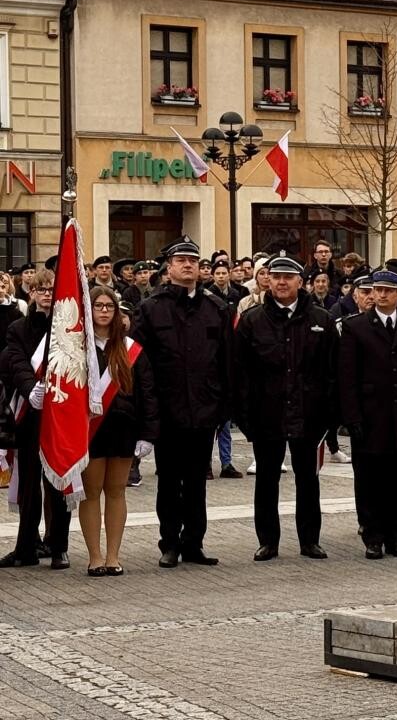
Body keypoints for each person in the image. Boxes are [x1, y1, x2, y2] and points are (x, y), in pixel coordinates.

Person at [131, 236, 232, 568]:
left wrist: (221, 404)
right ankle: (169, 543)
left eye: (193, 260)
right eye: (181, 260)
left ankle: (194, 543)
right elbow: (139, 364)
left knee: (197, 483)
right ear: (169, 267)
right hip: (168, 410)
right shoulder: (150, 308)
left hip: (203, 411)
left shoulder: (215, 308)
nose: (188, 265)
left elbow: (226, 362)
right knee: (169, 482)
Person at [235, 254, 337, 561]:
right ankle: (268, 540)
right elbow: (240, 372)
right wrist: (245, 417)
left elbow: (332, 371)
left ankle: (310, 540)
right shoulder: (253, 320)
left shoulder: (321, 319)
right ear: (267, 280)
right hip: (267, 415)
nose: (281, 282)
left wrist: (329, 415)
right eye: (275, 276)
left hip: (309, 415)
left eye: (288, 277)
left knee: (308, 479)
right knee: (267, 479)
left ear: (300, 282)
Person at [340, 269, 397, 560]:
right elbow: (348, 377)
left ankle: (395, 535)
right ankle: (372, 535)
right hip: (369, 416)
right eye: (376, 290)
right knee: (368, 480)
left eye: (388, 290)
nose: (381, 295)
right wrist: (352, 417)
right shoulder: (357, 327)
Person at [79, 286, 158, 575]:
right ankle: (94, 556)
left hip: (124, 430)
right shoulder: (79, 348)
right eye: (98, 306)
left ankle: (113, 556)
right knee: (91, 492)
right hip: (91, 431)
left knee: (116, 491)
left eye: (108, 307)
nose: (103, 311)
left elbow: (147, 392)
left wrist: (148, 434)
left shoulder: (130, 349)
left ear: (117, 312)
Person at [0, 270, 72, 569]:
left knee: (59, 482)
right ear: (30, 292)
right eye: (40, 289)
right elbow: (14, 361)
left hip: (61, 415)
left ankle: (59, 547)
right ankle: (26, 547)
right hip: (29, 414)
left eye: (51, 289)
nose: (46, 294)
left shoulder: (69, 328)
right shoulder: (18, 327)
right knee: (29, 486)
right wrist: (31, 390)